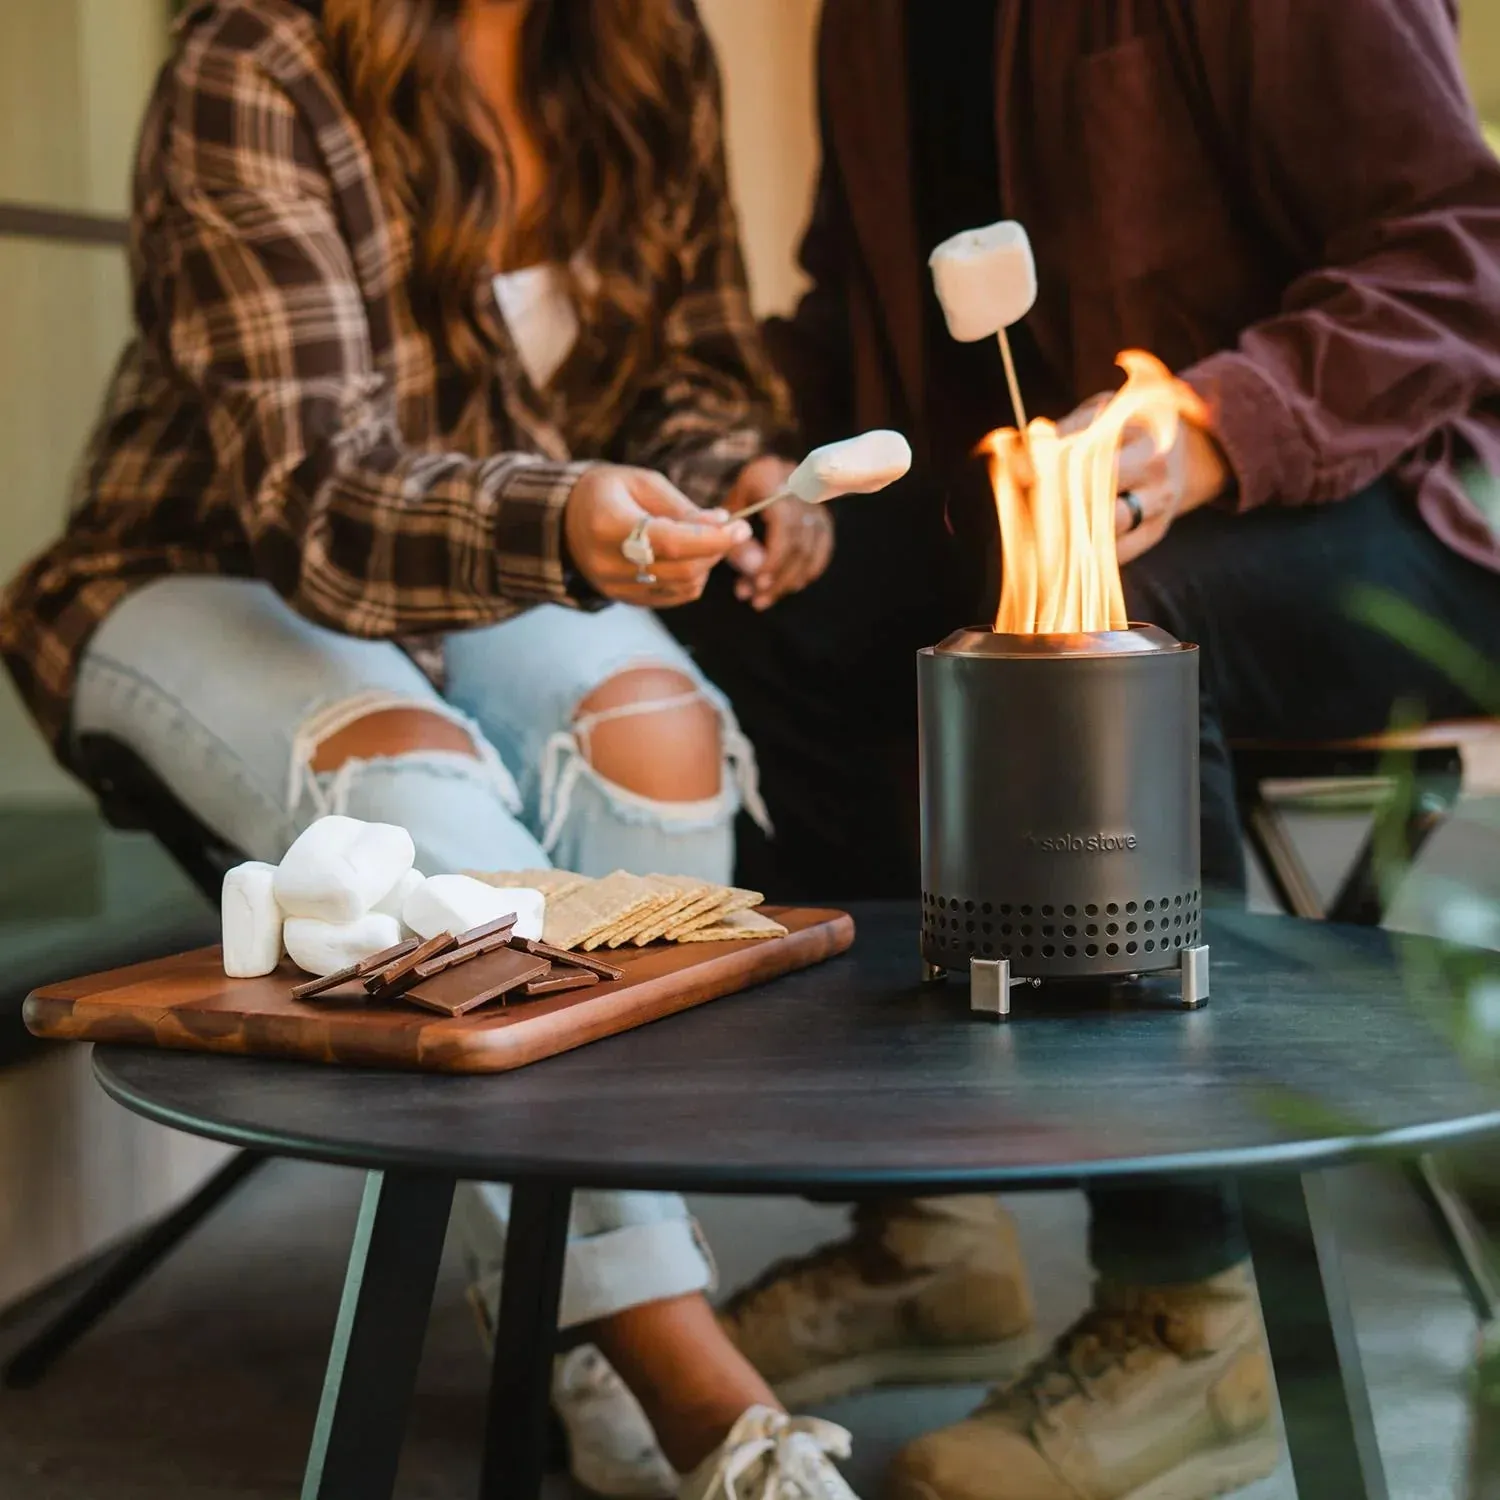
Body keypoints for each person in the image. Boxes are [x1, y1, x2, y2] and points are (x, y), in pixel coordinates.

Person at [0, 1, 853, 1496]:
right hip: (201, 566)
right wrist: (568, 520)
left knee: (656, 739)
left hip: (502, 567)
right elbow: (317, 494)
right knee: (405, 788)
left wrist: (737, 473)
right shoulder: (254, 59)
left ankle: (588, 1332)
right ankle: (705, 1398)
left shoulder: (646, 47)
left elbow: (692, 367)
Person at [669, 3, 1500, 1499]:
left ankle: (1193, 1314)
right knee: (777, 619)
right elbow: (848, 306)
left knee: (1110, 637)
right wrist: (764, 475)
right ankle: (930, 1229)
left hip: (1403, 494)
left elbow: (1459, 248)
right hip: (1039, 521)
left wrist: (1218, 422)